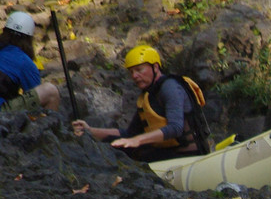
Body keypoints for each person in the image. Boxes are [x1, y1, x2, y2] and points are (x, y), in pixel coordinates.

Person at [71, 44, 208, 162]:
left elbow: (175, 128)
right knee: (116, 146)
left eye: (139, 70)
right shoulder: (147, 95)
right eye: (131, 72)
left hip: (188, 156)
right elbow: (129, 133)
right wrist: (90, 131)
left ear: (155, 67)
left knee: (130, 150)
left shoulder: (170, 87)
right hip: (167, 153)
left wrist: (138, 140)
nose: (134, 76)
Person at [0, 11, 61, 114]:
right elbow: (35, 96)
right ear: (29, 39)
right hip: (3, 113)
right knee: (50, 92)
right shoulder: (24, 62)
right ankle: (49, 127)